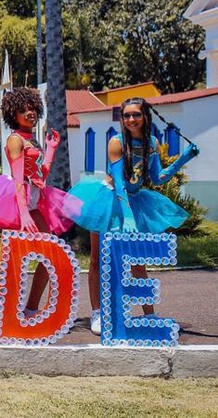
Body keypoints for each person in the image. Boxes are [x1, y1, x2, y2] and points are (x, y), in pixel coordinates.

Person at [68, 97, 199, 335]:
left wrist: (184, 158)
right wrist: (127, 217)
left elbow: (158, 178)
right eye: (126, 115)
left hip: (136, 201)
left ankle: (149, 313)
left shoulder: (151, 143)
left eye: (135, 114)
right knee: (98, 258)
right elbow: (119, 184)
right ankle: (97, 313)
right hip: (108, 202)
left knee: (137, 260)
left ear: (145, 116)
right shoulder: (116, 142)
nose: (130, 119)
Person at [0, 87, 77, 316]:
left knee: (50, 254)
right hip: (17, 202)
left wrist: (51, 150)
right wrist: (24, 213)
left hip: (36, 198)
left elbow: (40, 176)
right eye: (23, 109)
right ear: (12, 114)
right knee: (17, 257)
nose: (29, 113)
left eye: (32, 108)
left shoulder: (32, 140)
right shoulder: (16, 139)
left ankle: (30, 308)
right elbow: (18, 179)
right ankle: (9, 312)